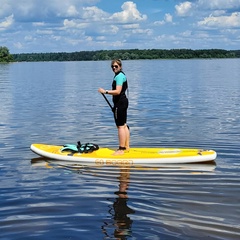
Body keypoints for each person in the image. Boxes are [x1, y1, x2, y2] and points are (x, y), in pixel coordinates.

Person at [98, 59, 130, 155]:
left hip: (120, 104)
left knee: (120, 126)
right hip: (123, 102)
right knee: (124, 125)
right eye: (113, 66)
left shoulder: (119, 77)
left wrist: (105, 91)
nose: (114, 68)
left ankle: (121, 149)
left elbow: (117, 91)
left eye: (116, 66)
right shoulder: (121, 75)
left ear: (120, 66)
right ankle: (127, 147)